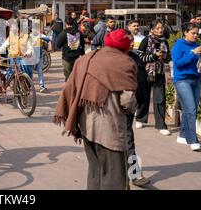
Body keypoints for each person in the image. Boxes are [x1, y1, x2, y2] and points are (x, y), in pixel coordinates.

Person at [54, 29, 137, 190]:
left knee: (95, 170)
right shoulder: (125, 63)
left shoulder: (87, 58)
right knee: (113, 177)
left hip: (86, 126)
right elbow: (127, 101)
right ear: (124, 47)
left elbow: (71, 88)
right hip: (110, 129)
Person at [172, 23, 201, 151]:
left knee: (190, 109)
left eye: (197, 33)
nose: (195, 36)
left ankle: (182, 135)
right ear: (185, 32)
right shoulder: (179, 45)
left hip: (196, 79)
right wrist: (193, 53)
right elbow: (178, 63)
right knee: (191, 109)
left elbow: (199, 63)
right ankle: (193, 140)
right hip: (182, 80)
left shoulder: (198, 45)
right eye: (193, 33)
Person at [125, 30, 151, 187]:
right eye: (127, 41)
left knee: (128, 139)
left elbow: (142, 83)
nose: (130, 43)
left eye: (132, 41)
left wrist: (141, 102)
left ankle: (134, 174)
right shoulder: (109, 58)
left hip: (127, 107)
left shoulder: (135, 58)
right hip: (106, 109)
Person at [136, 19, 171, 135]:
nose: (160, 30)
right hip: (146, 72)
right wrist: (154, 56)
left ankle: (161, 125)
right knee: (144, 96)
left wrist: (165, 57)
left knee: (160, 98)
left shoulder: (164, 42)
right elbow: (140, 57)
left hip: (160, 72)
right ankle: (140, 118)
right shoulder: (146, 40)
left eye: (162, 28)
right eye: (157, 28)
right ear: (152, 30)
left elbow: (168, 58)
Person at [57, 17, 85, 81]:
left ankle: (69, 89)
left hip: (67, 58)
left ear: (66, 23)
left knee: (68, 78)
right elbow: (82, 45)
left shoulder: (63, 33)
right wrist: (82, 55)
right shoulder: (79, 33)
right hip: (77, 58)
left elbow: (58, 45)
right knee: (76, 77)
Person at [29, 24, 51, 93]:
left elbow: (48, 39)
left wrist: (41, 38)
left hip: (38, 57)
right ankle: (29, 85)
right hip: (31, 57)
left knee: (39, 71)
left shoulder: (39, 35)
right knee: (31, 72)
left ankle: (41, 86)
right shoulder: (29, 36)